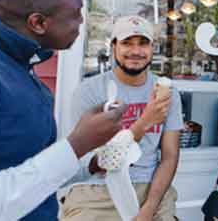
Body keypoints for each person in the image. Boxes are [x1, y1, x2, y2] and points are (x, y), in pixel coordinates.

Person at [0, 0, 127, 220]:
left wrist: (88, 160)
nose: (82, 21)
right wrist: (75, 144)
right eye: (75, 13)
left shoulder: (18, 61)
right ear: (38, 23)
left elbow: (24, 165)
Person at [60, 15, 184, 221]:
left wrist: (149, 208)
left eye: (143, 43)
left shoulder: (168, 94)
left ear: (153, 48)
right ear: (114, 46)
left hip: (150, 187)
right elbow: (96, 162)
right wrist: (144, 122)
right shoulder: (90, 92)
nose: (136, 51)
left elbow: (170, 156)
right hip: (97, 187)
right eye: (127, 43)